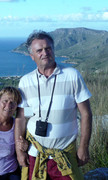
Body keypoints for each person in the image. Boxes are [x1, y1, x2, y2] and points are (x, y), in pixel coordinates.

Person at [15, 30, 92, 180]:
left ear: (53, 50)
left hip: (64, 155)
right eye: (39, 50)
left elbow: (86, 114)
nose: (45, 52)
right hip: (35, 154)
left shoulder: (72, 75)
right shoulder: (26, 81)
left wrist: (83, 147)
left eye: (48, 48)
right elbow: (23, 117)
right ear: (32, 56)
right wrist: (19, 150)